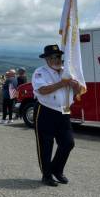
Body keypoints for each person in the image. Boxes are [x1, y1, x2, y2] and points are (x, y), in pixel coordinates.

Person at [32, 44, 80, 187]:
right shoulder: (40, 72)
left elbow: (76, 92)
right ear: (46, 59)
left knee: (68, 143)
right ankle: (46, 175)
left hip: (64, 111)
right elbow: (42, 90)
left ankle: (57, 170)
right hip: (46, 111)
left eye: (58, 56)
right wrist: (62, 83)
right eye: (52, 57)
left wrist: (75, 85)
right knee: (45, 145)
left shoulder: (67, 72)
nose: (56, 59)